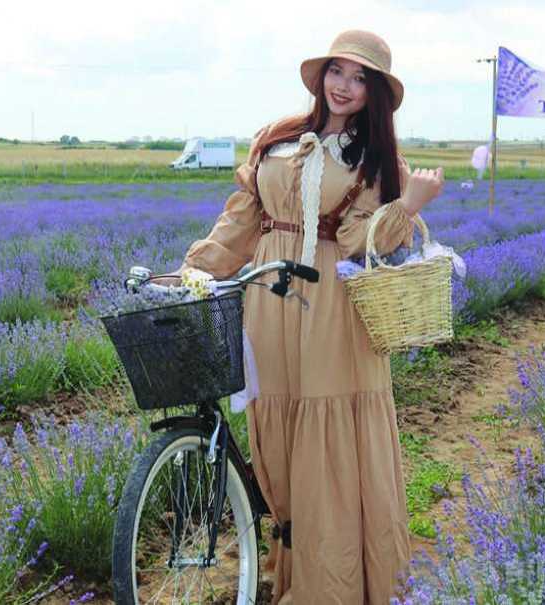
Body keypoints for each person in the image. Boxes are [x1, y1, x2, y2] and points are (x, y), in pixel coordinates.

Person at [174, 30, 443, 604]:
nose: (344, 86)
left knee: (328, 431)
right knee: (276, 419)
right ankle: (288, 566)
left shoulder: (374, 160)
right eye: (337, 72)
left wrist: (408, 206)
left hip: (331, 306)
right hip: (269, 296)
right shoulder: (278, 140)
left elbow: (354, 240)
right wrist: (197, 269)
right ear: (320, 76)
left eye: (359, 78)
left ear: (374, 95)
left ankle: (330, 587)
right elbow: (242, 220)